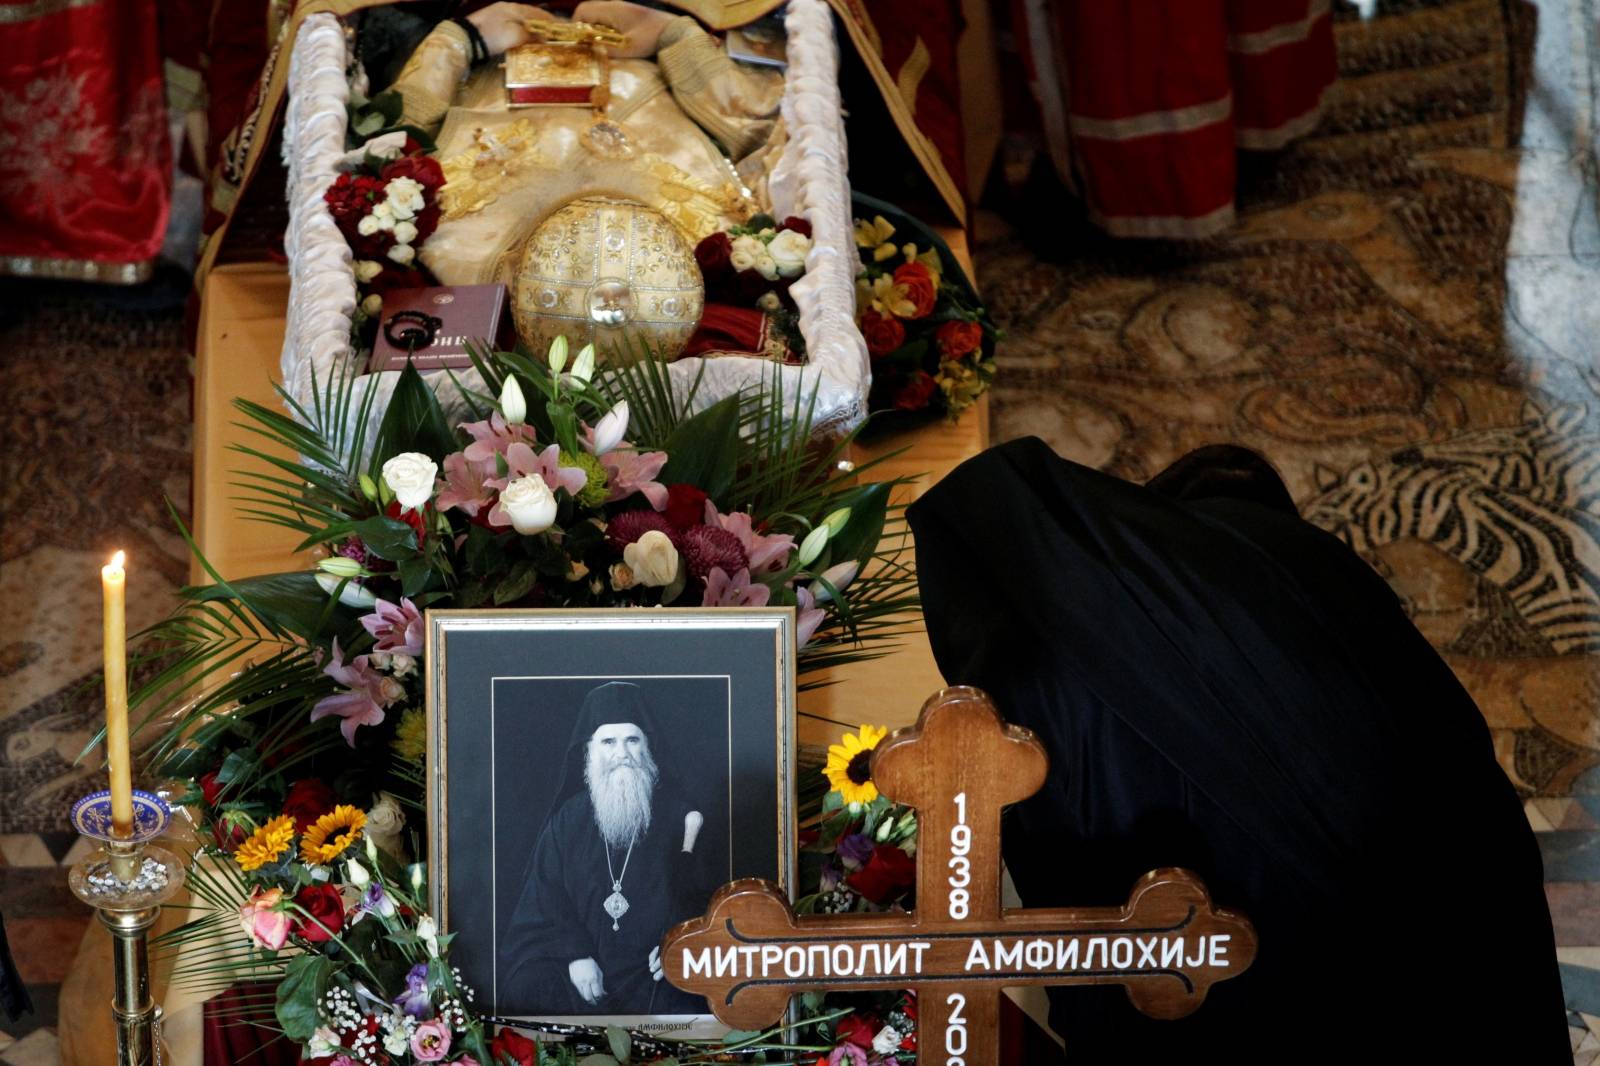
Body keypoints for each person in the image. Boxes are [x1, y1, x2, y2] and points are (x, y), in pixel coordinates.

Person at [907, 438, 1568, 1060]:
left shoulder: (1086, 650)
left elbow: (1068, 879)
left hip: (1257, 951)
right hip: (1458, 896)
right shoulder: (1307, 564)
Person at [387, 2, 785, 288]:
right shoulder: (439, 33)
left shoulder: (668, 47)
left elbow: (762, 131)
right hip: (479, 274)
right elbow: (388, 149)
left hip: (664, 268)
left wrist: (672, 35)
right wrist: (460, 41)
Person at [500, 681, 720, 1015]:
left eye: (632, 740)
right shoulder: (568, 820)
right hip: (587, 973)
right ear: (590, 751)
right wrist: (573, 954)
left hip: (653, 973)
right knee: (528, 985)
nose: (622, 754)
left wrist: (679, 943)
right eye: (608, 741)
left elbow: (704, 898)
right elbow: (544, 900)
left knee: (688, 991)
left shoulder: (682, 817)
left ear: (646, 747)